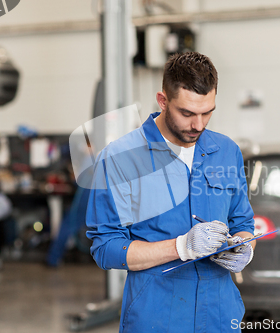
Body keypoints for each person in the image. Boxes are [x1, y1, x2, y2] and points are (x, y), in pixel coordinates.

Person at [86, 52, 256, 332]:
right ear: (163, 101)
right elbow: (106, 248)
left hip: (220, 315)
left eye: (207, 112)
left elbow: (243, 223)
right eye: (187, 113)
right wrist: (181, 247)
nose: (198, 125)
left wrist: (244, 247)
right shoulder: (119, 158)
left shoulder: (226, 151)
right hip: (157, 316)